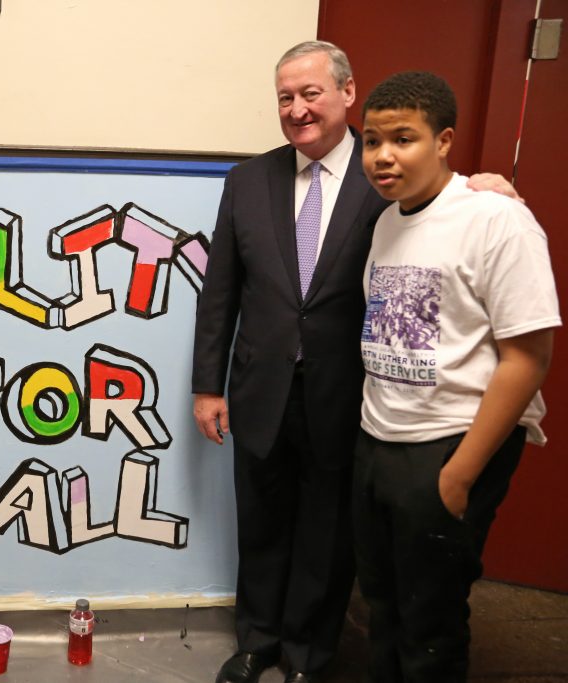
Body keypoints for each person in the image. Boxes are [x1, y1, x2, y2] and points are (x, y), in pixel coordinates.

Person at [191, 41, 519, 683]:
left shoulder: (385, 179)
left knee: (326, 533)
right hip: (260, 388)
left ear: (346, 94)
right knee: (260, 525)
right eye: (285, 97)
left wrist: (491, 185)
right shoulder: (247, 180)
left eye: (310, 93)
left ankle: (310, 655)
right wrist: (208, 385)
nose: (296, 108)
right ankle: (257, 640)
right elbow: (221, 292)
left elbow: (447, 207)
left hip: (348, 396)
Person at [354, 71, 558, 682]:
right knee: (381, 606)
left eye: (403, 138)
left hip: (449, 444)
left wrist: (460, 474)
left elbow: (528, 358)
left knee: (431, 623)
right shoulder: (388, 220)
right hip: (380, 439)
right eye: (371, 140)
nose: (383, 155)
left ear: (444, 141)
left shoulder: (497, 219)